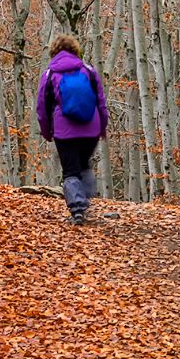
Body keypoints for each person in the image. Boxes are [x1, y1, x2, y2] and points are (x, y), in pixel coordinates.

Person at [36, 34, 107, 224]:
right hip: (90, 128)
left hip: (64, 131)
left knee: (70, 170)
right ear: (75, 50)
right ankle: (85, 199)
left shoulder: (50, 74)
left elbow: (42, 107)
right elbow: (101, 101)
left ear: (54, 52)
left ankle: (77, 210)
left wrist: (46, 131)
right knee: (84, 165)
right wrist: (103, 127)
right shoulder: (89, 71)